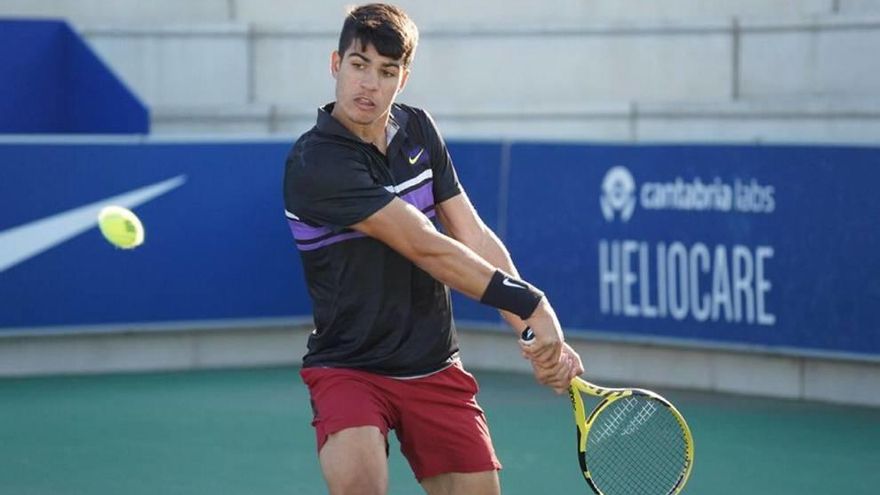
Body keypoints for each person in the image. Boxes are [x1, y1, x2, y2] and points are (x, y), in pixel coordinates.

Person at [283, 4, 584, 494]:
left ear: (403, 78)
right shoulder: (315, 163)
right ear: (336, 64)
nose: (370, 84)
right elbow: (424, 246)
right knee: (360, 485)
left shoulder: (419, 131)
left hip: (434, 364)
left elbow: (474, 235)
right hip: (349, 367)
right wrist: (531, 303)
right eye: (359, 66)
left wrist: (531, 331)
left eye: (386, 71)